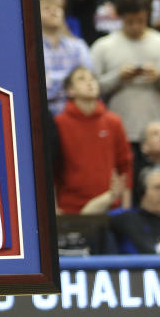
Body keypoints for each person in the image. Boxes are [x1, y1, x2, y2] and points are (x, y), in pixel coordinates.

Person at [91, 0, 160, 154]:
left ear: (148, 16)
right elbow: (92, 89)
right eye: (129, 21)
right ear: (119, 17)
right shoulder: (102, 47)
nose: (136, 26)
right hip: (121, 130)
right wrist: (118, 77)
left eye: (141, 20)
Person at [54, 66, 132, 215]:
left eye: (93, 79)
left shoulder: (113, 121)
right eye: (82, 79)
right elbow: (51, 169)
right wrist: (55, 207)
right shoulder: (59, 123)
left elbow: (125, 165)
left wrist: (126, 206)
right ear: (70, 91)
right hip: (70, 208)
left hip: (110, 207)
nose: (90, 83)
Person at [40, 0, 92, 115]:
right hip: (43, 113)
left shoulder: (78, 46)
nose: (53, 11)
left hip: (76, 112)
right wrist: (70, 80)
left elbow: (87, 80)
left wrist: (52, 79)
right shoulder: (31, 49)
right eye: (46, 8)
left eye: (57, 8)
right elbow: (38, 88)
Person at [110, 166, 160, 254]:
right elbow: (90, 217)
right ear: (142, 191)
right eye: (158, 188)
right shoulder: (128, 219)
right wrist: (111, 196)